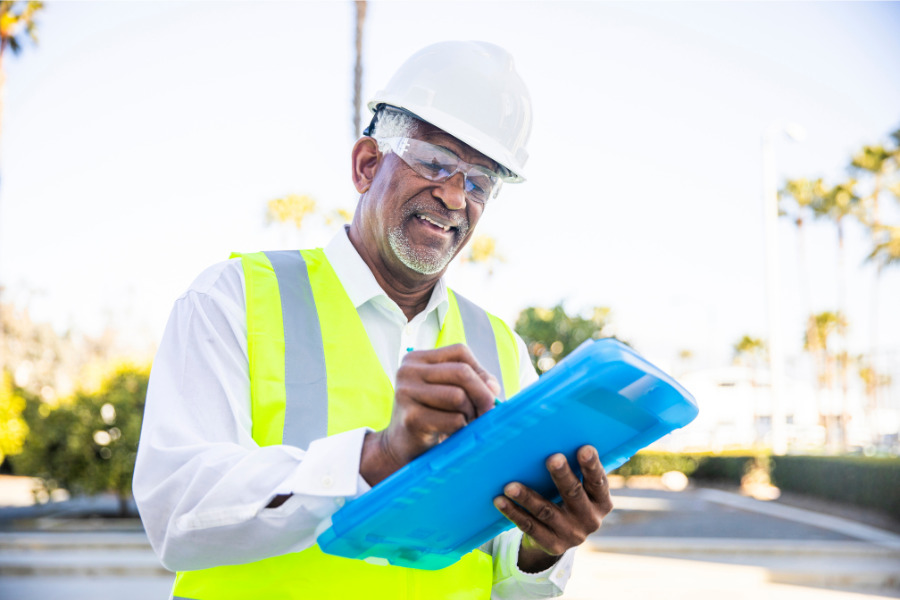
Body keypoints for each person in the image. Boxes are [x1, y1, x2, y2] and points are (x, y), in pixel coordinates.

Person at [134, 40, 613, 599]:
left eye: (480, 182)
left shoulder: (500, 346)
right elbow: (177, 511)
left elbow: (509, 575)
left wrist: (542, 548)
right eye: (436, 162)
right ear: (367, 165)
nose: (456, 198)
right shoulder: (235, 297)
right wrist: (373, 460)